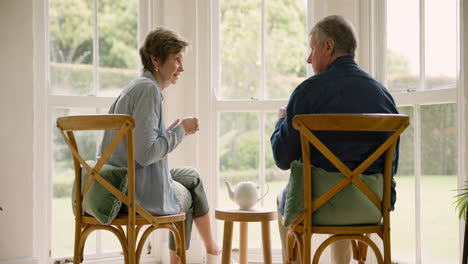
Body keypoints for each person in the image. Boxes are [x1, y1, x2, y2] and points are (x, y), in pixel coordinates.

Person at [270, 15, 399, 263]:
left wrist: (281, 122)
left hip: (315, 206)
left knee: (284, 199)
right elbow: (391, 164)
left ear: (328, 46)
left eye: (312, 49)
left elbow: (282, 159)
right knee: (347, 186)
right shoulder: (383, 96)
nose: (308, 58)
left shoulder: (307, 91)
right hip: (370, 206)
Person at [99, 27, 220, 264]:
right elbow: (146, 155)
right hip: (133, 190)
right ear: (156, 60)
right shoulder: (148, 91)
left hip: (125, 181)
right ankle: (201, 257)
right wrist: (181, 130)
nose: (181, 68)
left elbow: (139, 147)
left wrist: (169, 133)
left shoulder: (136, 87)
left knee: (192, 177)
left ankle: (213, 250)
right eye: (176, 59)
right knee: (186, 194)